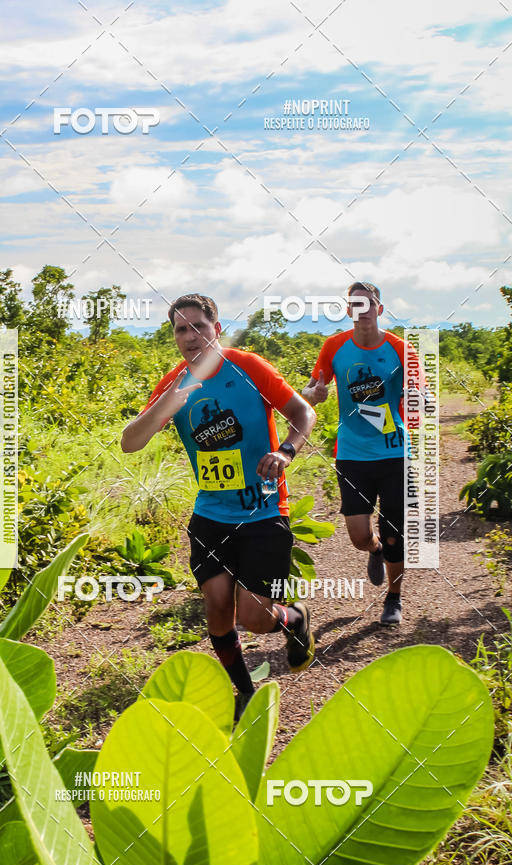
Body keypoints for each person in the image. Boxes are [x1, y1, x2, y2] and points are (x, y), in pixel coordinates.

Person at [122, 293, 316, 718]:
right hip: (210, 516)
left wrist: (285, 452)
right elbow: (130, 442)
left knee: (255, 618)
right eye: (179, 329)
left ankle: (294, 618)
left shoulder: (248, 367)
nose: (190, 337)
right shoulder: (174, 383)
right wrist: (166, 406)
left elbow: (303, 413)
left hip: (264, 512)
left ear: (217, 329)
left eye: (198, 327)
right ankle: (244, 691)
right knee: (216, 610)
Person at [303, 282, 415, 626]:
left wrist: (416, 400)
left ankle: (393, 598)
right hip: (352, 453)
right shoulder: (335, 346)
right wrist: (314, 393)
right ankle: (375, 549)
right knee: (358, 536)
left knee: (395, 531)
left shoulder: (400, 348)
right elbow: (310, 389)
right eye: (354, 304)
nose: (362, 310)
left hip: (394, 451)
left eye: (368, 304)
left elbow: (416, 395)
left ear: (379, 309)